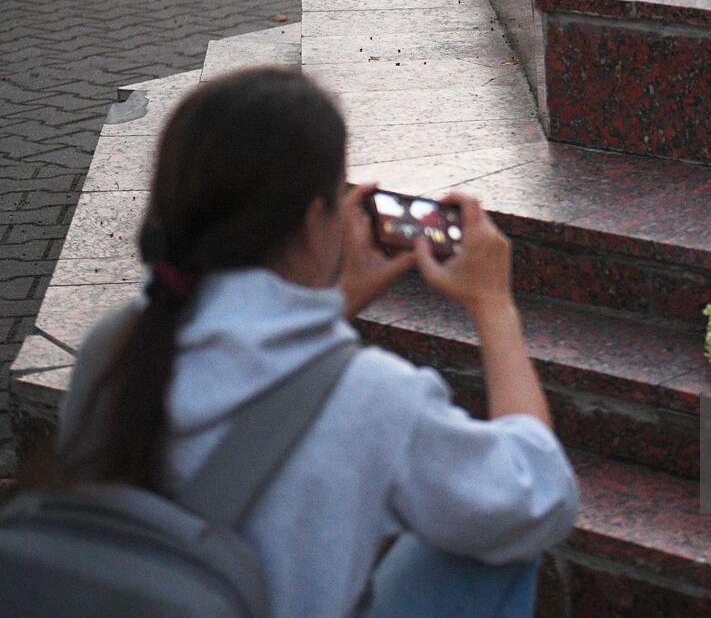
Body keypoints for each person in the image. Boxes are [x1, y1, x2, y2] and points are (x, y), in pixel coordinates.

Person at [40, 67, 578, 618]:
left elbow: (257, 375)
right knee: (496, 547)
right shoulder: (376, 397)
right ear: (311, 220)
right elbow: (536, 498)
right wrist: (494, 305)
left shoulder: (119, 340)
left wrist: (334, 299)